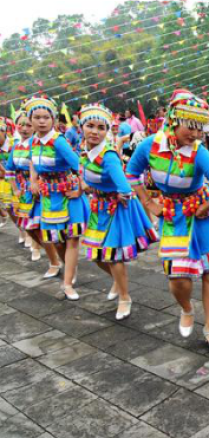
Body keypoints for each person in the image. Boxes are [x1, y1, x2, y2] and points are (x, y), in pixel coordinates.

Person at [126, 89, 209, 352]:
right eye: (191, 126)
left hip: (201, 216)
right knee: (178, 277)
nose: (196, 134)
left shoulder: (199, 152)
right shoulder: (150, 145)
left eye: (200, 129)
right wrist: (148, 203)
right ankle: (186, 309)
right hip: (172, 216)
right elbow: (131, 173)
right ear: (175, 118)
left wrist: (205, 208)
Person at [78, 104, 158, 320]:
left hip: (115, 208)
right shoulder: (85, 151)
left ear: (107, 131)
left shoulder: (109, 155)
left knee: (113, 257)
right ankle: (117, 280)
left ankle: (125, 297)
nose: (95, 131)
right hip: (99, 208)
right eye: (90, 126)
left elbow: (123, 186)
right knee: (95, 254)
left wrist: (114, 194)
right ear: (81, 127)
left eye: (101, 127)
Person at [25, 95, 90, 300]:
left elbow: (79, 164)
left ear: (53, 119)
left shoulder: (59, 141)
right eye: (37, 117)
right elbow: (33, 162)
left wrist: (82, 189)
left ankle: (67, 282)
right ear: (31, 120)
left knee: (71, 239)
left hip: (68, 194)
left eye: (46, 117)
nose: (42, 121)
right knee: (57, 240)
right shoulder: (33, 141)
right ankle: (70, 269)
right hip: (48, 194)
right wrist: (33, 181)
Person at [5, 112, 50, 264]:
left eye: (28, 125)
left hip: (38, 186)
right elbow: (10, 169)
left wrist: (35, 182)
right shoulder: (16, 146)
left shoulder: (37, 143)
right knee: (26, 220)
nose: (24, 128)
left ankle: (39, 248)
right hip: (22, 187)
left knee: (37, 221)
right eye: (21, 125)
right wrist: (15, 188)